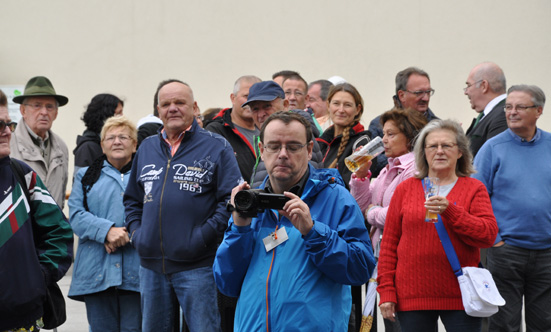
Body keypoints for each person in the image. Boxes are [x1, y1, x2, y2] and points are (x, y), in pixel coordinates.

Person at [214, 111, 376, 331]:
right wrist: (239, 229)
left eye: (292, 146)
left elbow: (360, 269)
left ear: (309, 151)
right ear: (262, 151)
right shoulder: (251, 204)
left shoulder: (335, 198)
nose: (282, 154)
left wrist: (313, 232)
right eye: (273, 146)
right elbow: (227, 284)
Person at [124, 79, 241, 332]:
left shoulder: (216, 146)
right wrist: (137, 235)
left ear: (195, 107)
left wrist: (202, 238)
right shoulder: (146, 148)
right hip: (151, 267)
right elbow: (132, 200)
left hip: (198, 267)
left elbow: (229, 201)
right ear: (158, 110)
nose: (173, 108)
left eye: (180, 102)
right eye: (166, 104)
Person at [377, 119, 498, 332]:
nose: (439, 151)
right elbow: (388, 245)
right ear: (423, 152)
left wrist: (451, 211)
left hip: (461, 295)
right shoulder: (406, 189)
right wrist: (386, 291)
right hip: (412, 295)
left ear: (460, 152)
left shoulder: (474, 188)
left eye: (447, 146)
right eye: (433, 146)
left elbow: (487, 235)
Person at [473, 85, 551, 332]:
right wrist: (495, 240)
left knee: (545, 324)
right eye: (508, 107)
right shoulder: (492, 148)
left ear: (538, 110)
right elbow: (476, 197)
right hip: (506, 251)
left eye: (520, 107)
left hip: (547, 253)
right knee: (504, 325)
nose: (512, 112)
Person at [0, 101, 73, 331]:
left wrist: (36, 277)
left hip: (21, 319)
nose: (6, 130)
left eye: (8, 124)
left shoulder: (23, 175)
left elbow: (59, 232)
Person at [68, 116, 141, 331]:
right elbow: (76, 216)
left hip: (136, 271)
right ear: (102, 145)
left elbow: (155, 213)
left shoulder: (147, 176)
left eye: (123, 137)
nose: (117, 141)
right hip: (96, 271)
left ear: (134, 144)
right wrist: (106, 231)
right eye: (110, 138)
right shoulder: (84, 176)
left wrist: (124, 235)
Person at [243, 81, 323, 187]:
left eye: (267, 106)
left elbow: (308, 187)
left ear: (285, 105)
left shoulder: (298, 134)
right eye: (255, 109)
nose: (261, 114)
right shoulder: (263, 137)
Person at [10, 76, 69, 208]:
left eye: (49, 107)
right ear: (23, 110)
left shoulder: (62, 147)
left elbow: (61, 195)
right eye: (37, 105)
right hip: (20, 227)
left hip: (53, 227)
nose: (44, 112)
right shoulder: (8, 145)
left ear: (56, 113)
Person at [317, 82, 375, 186]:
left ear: (357, 110)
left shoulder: (363, 143)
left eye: (347, 105)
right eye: (336, 103)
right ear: (328, 105)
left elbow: (351, 186)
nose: (341, 110)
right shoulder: (321, 141)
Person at [206, 75, 261, 181]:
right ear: (233, 98)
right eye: (246, 96)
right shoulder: (216, 131)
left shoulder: (268, 130)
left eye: (256, 97)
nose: (250, 101)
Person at [464, 62, 508, 158]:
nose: (466, 92)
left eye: (468, 85)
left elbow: (494, 160)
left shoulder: (504, 116)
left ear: (484, 86)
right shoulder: (490, 114)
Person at [74, 93, 124, 176]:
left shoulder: (111, 143)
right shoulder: (87, 148)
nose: (123, 118)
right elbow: (80, 184)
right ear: (106, 116)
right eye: (119, 113)